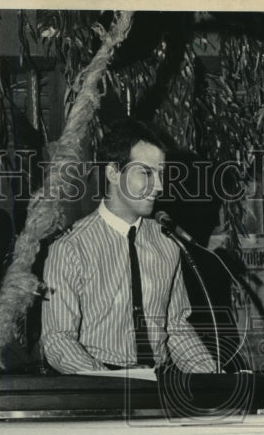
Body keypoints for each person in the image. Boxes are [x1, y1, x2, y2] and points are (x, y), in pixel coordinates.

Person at [40, 119, 216, 374]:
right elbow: (58, 340)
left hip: (159, 387)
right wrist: (112, 384)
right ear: (113, 172)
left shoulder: (167, 243)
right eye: (146, 173)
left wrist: (213, 380)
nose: (159, 186)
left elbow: (177, 328)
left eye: (161, 174)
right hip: (98, 388)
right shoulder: (70, 248)